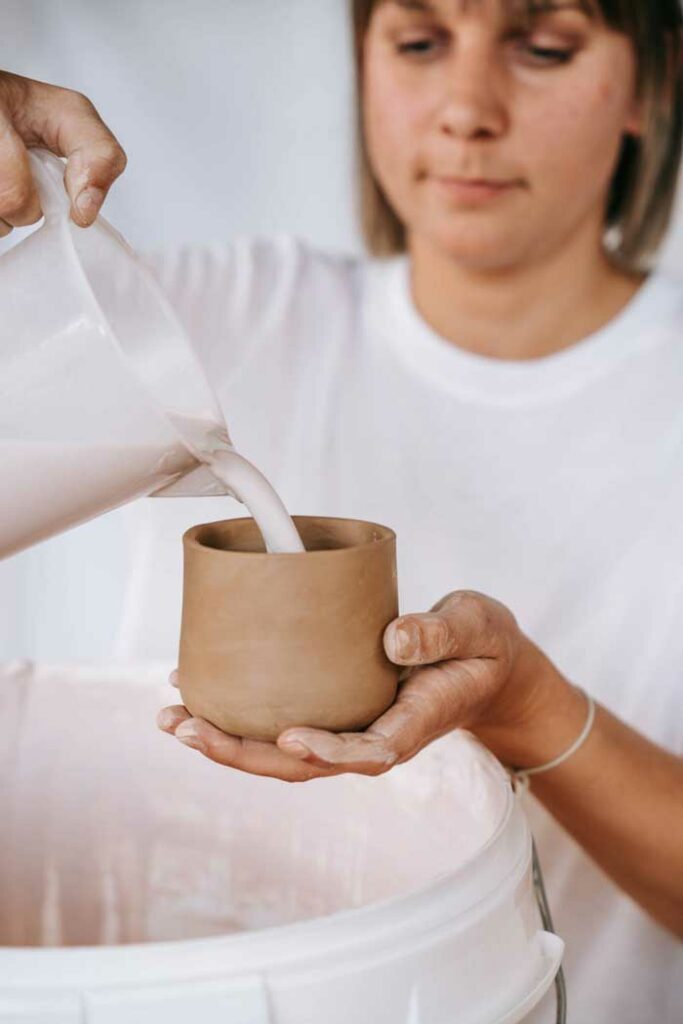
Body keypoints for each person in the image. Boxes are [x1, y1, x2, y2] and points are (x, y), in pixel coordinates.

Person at [1, 0, 681, 1019]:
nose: (464, 108)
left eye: (540, 47)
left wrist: (525, 706)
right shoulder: (213, 314)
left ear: (648, 85)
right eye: (417, 42)